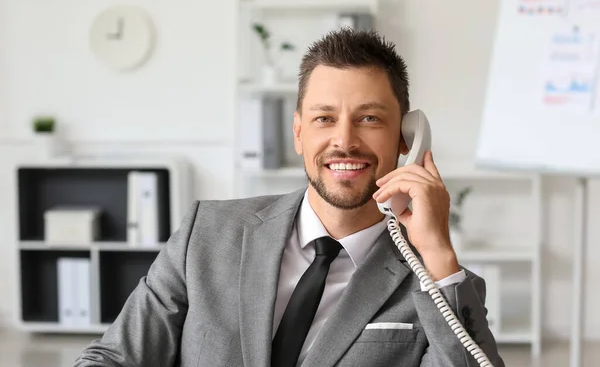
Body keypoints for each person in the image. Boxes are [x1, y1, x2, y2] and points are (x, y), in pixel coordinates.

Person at [74, 29, 505, 367]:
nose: (344, 140)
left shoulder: (439, 280)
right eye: (324, 118)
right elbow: (115, 358)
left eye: (369, 118)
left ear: (405, 138)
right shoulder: (205, 234)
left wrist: (436, 252)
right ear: (298, 132)